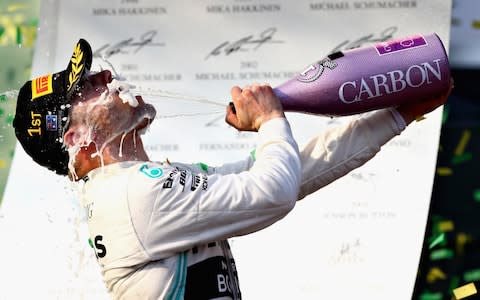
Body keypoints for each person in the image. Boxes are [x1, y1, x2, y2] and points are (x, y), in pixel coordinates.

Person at [13, 39, 452, 300]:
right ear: (74, 139)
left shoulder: (132, 189)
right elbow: (273, 192)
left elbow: (290, 174)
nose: (106, 76)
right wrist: (268, 120)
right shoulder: (135, 196)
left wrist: (397, 115)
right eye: (86, 87)